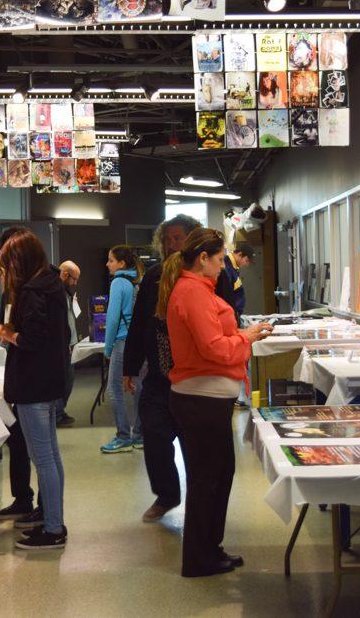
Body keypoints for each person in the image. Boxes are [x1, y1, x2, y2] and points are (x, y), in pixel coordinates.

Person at [157, 228, 272, 577]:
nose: (224, 267)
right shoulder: (192, 292)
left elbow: (217, 339)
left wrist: (241, 336)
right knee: (208, 479)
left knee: (219, 475)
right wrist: (245, 340)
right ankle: (199, 557)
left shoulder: (199, 289)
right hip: (199, 400)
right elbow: (213, 348)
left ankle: (209, 547)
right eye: (220, 259)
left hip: (207, 399)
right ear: (203, 258)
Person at [124, 214, 224, 522]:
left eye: (178, 238)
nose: (171, 244)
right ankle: (166, 495)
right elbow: (139, 325)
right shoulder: (154, 276)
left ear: (193, 242)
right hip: (159, 376)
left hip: (195, 379)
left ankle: (200, 504)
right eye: (167, 239)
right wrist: (129, 367)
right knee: (153, 436)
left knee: (196, 446)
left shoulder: (209, 277)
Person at [0, 229, 70, 550]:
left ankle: (53, 528)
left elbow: (31, 340)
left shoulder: (33, 292)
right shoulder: (51, 284)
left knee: (44, 459)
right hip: (48, 382)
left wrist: (4, 333)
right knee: (51, 457)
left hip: (33, 384)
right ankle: (52, 519)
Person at [100, 245, 143, 454]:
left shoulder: (118, 282)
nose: (107, 264)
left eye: (110, 260)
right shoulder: (137, 282)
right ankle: (140, 435)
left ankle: (123, 436)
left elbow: (113, 317)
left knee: (115, 389)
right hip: (138, 341)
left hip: (122, 342)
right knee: (138, 388)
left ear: (121, 263)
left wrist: (108, 349)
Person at [58, 260, 82, 427]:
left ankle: (60, 412)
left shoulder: (65, 291)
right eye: (74, 279)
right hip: (63, 344)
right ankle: (58, 414)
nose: (75, 283)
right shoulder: (57, 292)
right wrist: (65, 341)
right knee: (64, 379)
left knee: (68, 378)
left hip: (69, 342)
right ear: (65, 274)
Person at [222, 243, 254, 323]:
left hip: (234, 315)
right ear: (240, 254)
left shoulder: (234, 268)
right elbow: (226, 297)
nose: (246, 264)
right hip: (228, 316)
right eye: (246, 261)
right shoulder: (226, 268)